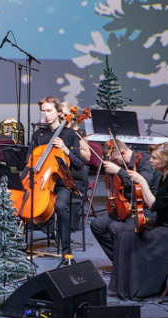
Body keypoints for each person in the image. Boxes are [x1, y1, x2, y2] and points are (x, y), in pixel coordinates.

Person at [108, 143, 168, 299]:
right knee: (124, 234)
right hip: (165, 226)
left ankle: (141, 289)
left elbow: (154, 206)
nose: (151, 160)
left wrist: (142, 182)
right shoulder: (165, 176)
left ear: (166, 160)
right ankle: (122, 287)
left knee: (141, 238)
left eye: (155, 158)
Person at [23, 97, 84, 257]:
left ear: (59, 112)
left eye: (49, 111)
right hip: (41, 182)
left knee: (60, 206)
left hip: (62, 183)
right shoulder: (38, 134)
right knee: (23, 201)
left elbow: (78, 164)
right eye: (43, 111)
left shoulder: (70, 134)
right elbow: (29, 161)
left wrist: (65, 149)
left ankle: (66, 250)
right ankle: (21, 244)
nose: (46, 115)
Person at [90, 140, 160, 263]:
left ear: (122, 152)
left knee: (115, 227)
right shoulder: (122, 164)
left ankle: (131, 262)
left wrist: (118, 171)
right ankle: (120, 261)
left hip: (147, 210)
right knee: (97, 224)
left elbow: (142, 186)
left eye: (115, 160)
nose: (115, 164)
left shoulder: (146, 162)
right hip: (127, 207)